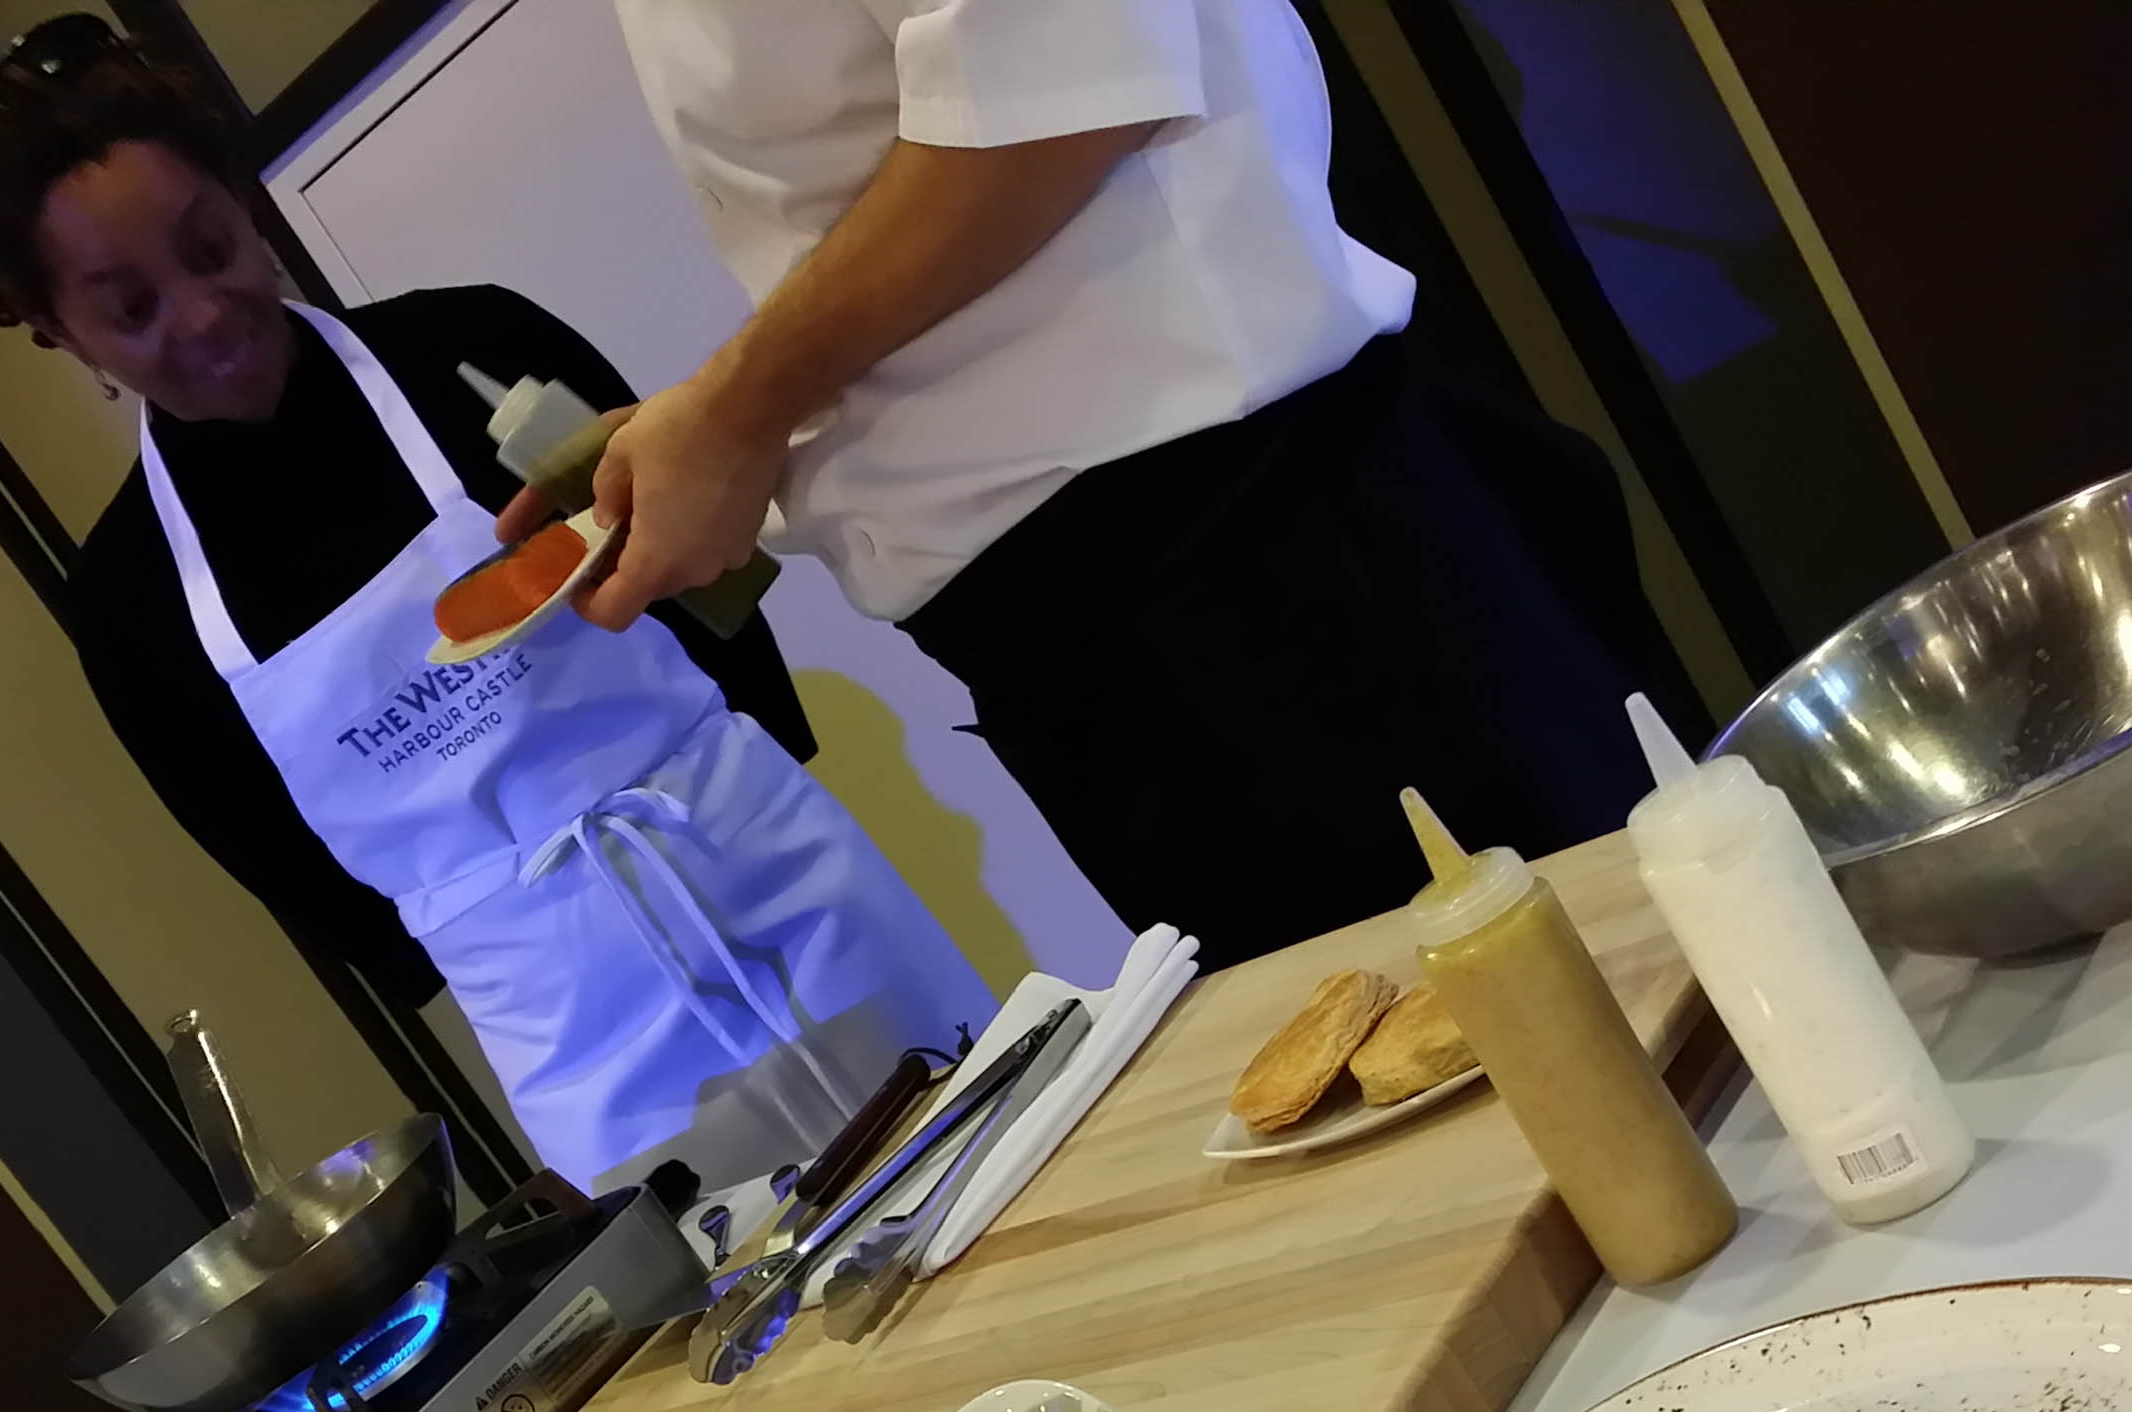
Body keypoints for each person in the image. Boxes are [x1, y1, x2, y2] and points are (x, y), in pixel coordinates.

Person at [0, 16, 989, 1194]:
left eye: (209, 247)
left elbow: (706, 582)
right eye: (131, 309)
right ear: (58, 331)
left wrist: (727, 788)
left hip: (784, 885)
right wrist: (524, 926)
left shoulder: (472, 347)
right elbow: (303, 878)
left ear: (241, 203)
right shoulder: (132, 604)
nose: (203, 313)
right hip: (581, 1043)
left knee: (992, 1162)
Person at [554, 0, 1689, 968]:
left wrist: (740, 412)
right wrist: (720, 422)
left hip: (1250, 565)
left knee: (1619, 1039)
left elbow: (1062, 99)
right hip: (1123, 620)